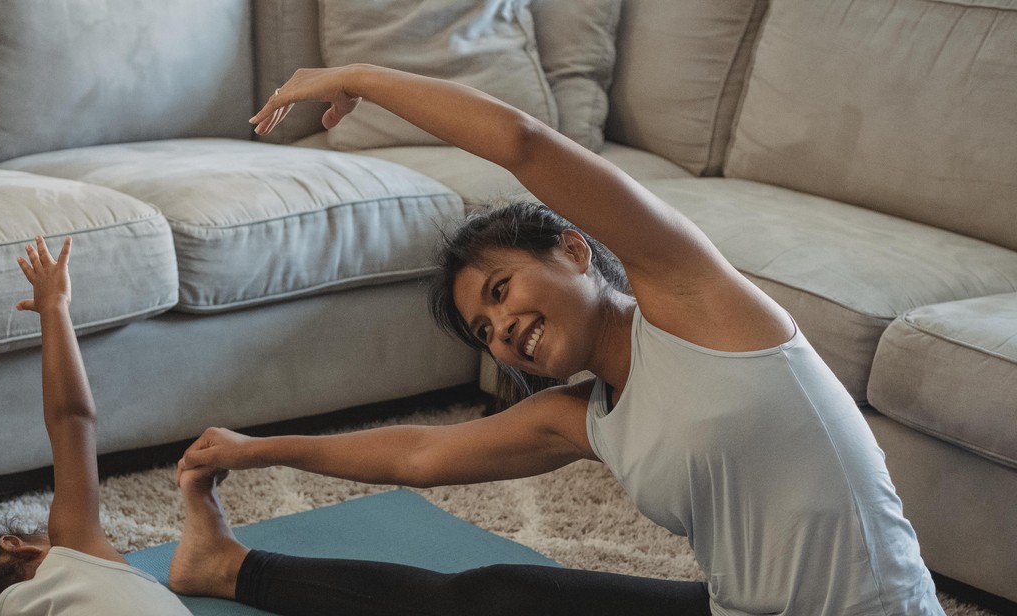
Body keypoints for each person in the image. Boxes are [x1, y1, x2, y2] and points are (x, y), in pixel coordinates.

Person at [168, 63, 947, 616]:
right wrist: (257, 450)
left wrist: (359, 78)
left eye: (502, 292)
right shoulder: (587, 415)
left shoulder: (696, 302)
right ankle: (230, 568)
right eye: (485, 330)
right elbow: (417, 455)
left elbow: (524, 145)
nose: (502, 330)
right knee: (495, 596)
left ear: (574, 250)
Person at [0, 236, 192, 616]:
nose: (52, 537)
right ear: (17, 547)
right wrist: (53, 307)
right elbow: (70, 418)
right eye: (42, 535)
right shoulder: (72, 553)